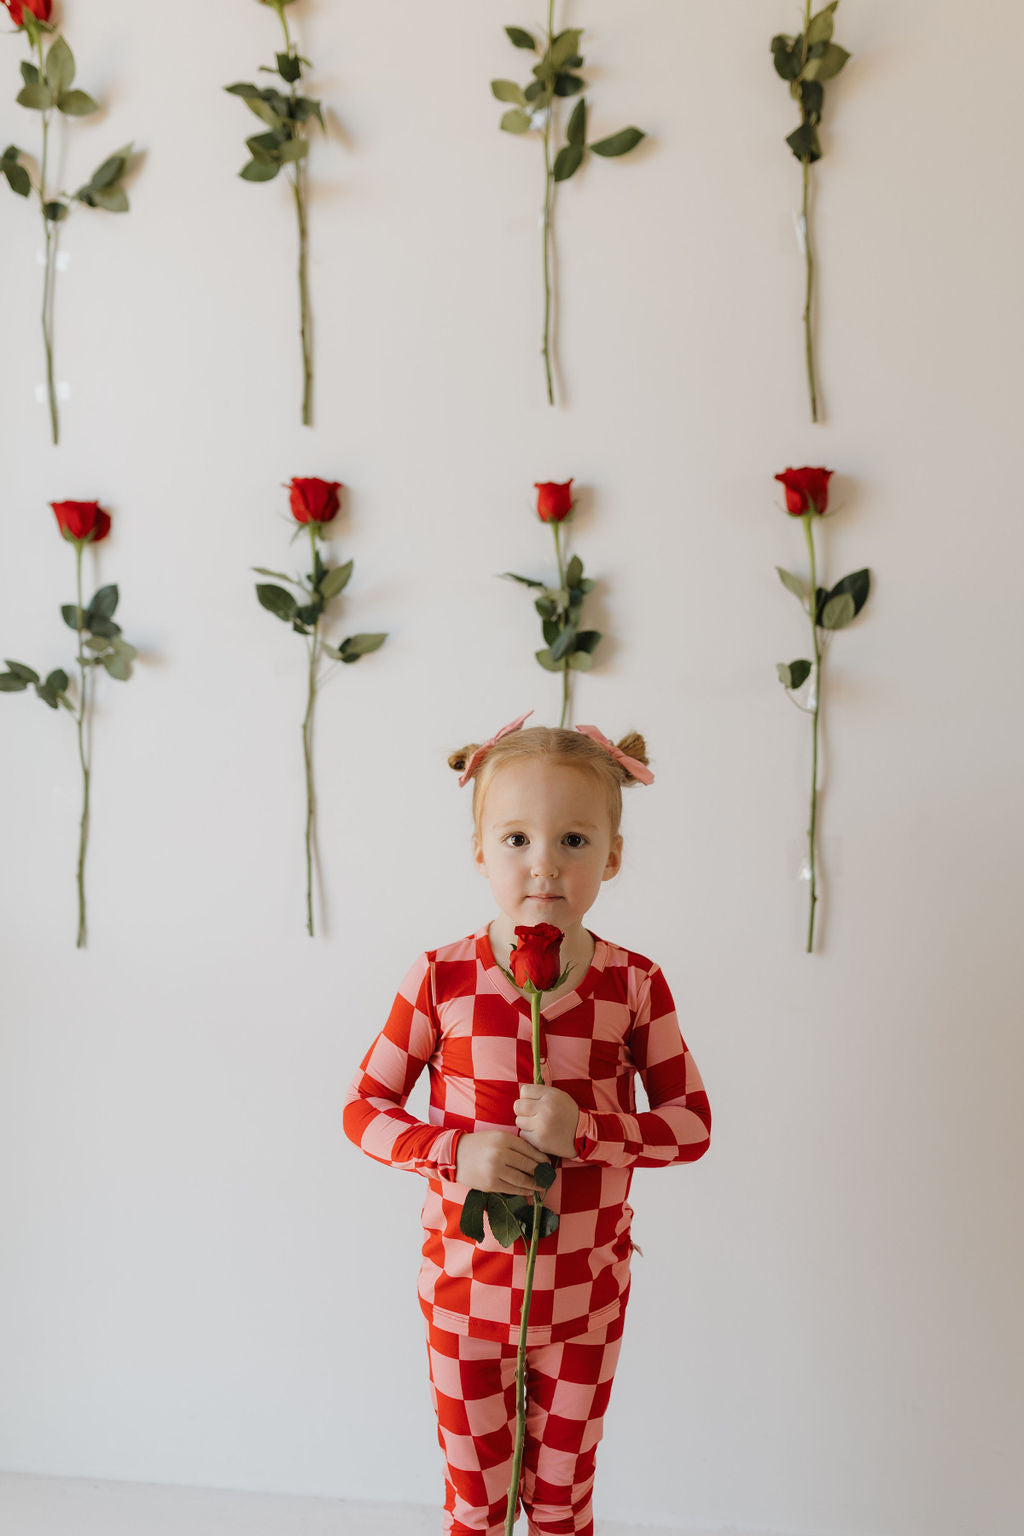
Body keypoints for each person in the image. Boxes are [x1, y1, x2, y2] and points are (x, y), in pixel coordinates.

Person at [343, 713, 711, 1536]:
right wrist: (451, 1151)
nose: (544, 864)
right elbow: (362, 1109)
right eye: (516, 838)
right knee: (476, 1505)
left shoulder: (635, 984)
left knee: (561, 1504)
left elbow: (691, 1125)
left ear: (612, 856)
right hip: (464, 1305)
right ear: (480, 851)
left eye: (574, 840)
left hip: (584, 1311)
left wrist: (589, 1130)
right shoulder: (440, 978)